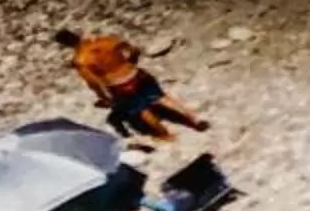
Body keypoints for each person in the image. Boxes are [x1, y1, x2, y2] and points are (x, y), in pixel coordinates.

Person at [55, 27, 208, 143]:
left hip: (120, 85)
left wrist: (105, 97)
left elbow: (93, 82)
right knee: (162, 98)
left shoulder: (81, 60)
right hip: (135, 73)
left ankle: (165, 134)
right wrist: (131, 61)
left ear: (65, 45)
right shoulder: (105, 40)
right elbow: (130, 48)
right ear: (77, 34)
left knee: (142, 110)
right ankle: (194, 119)